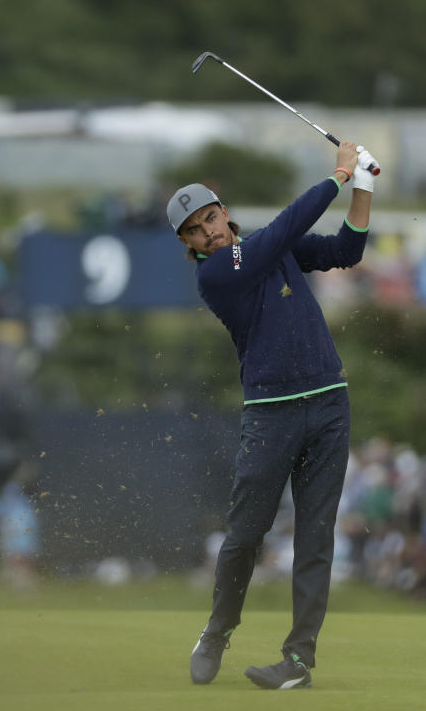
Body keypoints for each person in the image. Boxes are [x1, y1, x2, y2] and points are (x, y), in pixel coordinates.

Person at [168, 140, 378, 690]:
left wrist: (364, 186)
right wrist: (337, 175)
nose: (208, 230)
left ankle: (299, 661)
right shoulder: (216, 274)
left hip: (330, 402)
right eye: (195, 229)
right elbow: (283, 230)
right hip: (271, 413)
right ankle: (217, 630)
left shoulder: (270, 248)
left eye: (210, 217)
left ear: (224, 212)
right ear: (189, 244)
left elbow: (345, 252)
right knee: (245, 535)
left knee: (316, 537)